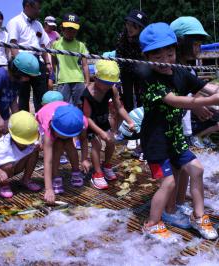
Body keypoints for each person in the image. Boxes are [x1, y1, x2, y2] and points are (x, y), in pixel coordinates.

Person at [138, 23, 219, 241]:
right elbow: (175, 101)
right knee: (168, 183)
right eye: (156, 54)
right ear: (146, 55)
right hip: (155, 141)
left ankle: (199, 217)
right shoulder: (149, 77)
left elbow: (208, 87)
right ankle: (152, 224)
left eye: (169, 52)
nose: (164, 59)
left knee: (196, 169)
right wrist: (210, 101)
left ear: (175, 50)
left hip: (175, 137)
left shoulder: (180, 72)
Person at [82, 60, 135, 190]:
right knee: (97, 144)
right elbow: (87, 117)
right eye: (104, 83)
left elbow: (119, 107)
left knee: (112, 142)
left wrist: (130, 120)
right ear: (96, 77)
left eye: (110, 84)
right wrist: (101, 133)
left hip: (102, 120)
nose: (107, 86)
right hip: (89, 123)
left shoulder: (112, 89)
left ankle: (106, 165)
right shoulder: (88, 94)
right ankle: (97, 173)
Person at [36, 101, 90, 203]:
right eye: (63, 135)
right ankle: (55, 176)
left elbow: (83, 139)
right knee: (57, 146)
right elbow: (47, 161)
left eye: (70, 136)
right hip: (46, 114)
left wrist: (84, 159)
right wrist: (48, 189)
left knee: (69, 144)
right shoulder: (48, 126)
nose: (66, 138)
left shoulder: (81, 121)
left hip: (65, 116)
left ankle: (76, 171)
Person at [0, 111, 41, 198]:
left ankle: (26, 179)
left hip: (15, 165)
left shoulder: (29, 135)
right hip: (0, 170)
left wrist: (38, 146)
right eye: (23, 142)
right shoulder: (2, 146)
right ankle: (4, 185)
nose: (26, 144)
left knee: (34, 152)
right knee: (8, 165)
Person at [6, 0, 52, 112]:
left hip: (37, 61)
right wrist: (19, 66)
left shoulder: (38, 24)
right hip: (22, 61)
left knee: (42, 94)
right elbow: (13, 44)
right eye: (37, 7)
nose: (39, 11)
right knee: (23, 96)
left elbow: (43, 44)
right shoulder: (15, 22)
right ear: (27, 6)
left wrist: (47, 62)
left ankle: (42, 121)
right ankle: (24, 124)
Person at [115, 9, 148, 150]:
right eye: (128, 23)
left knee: (142, 101)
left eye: (133, 25)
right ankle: (130, 133)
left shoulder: (145, 39)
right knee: (127, 101)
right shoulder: (122, 36)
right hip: (126, 73)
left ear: (141, 28)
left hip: (142, 73)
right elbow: (119, 56)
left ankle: (142, 133)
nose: (129, 27)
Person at [52, 13, 89, 106]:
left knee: (80, 105)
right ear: (62, 28)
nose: (71, 32)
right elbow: (54, 63)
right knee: (63, 106)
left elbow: (85, 65)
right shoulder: (56, 44)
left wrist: (87, 82)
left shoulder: (81, 45)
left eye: (74, 29)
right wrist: (55, 78)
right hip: (63, 80)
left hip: (79, 80)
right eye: (68, 28)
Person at [43, 15, 60, 90]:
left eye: (53, 26)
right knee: (42, 84)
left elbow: (61, 43)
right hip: (42, 60)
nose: (51, 28)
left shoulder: (55, 34)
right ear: (45, 24)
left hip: (52, 61)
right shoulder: (41, 33)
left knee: (50, 84)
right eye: (50, 26)